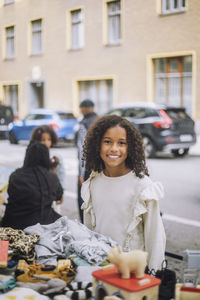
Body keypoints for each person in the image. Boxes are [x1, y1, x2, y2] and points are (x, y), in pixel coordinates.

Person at [81, 115, 166, 270]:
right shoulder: (92, 183)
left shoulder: (143, 186)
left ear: (131, 147)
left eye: (121, 143)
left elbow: (155, 238)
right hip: (99, 268)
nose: (114, 148)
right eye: (107, 141)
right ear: (96, 144)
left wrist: (155, 275)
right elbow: (88, 230)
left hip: (132, 272)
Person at [1, 142, 63, 230]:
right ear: (46, 157)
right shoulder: (51, 176)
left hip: (13, 224)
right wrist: (53, 169)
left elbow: (11, 195)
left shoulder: (15, 175)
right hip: (43, 225)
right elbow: (59, 198)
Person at [76, 99, 98, 223]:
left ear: (85, 108)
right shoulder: (100, 121)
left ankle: (85, 226)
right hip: (99, 167)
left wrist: (81, 173)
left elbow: (82, 149)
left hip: (87, 168)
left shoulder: (83, 124)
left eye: (81, 108)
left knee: (83, 199)